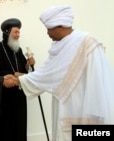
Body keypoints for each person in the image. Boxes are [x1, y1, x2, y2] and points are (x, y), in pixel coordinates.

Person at [14, 5, 114, 141]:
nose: (47, 33)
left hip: (83, 106)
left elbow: (58, 75)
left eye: (49, 29)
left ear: (59, 26)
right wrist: (25, 78)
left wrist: (21, 80)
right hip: (64, 104)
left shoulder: (87, 42)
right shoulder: (58, 45)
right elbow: (49, 72)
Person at [0, 18, 35, 141]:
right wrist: (14, 74)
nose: (18, 35)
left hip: (19, 96)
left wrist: (28, 64)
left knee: (19, 127)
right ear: (7, 32)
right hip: (4, 98)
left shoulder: (18, 50)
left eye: (19, 32)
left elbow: (23, 71)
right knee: (6, 129)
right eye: (15, 32)